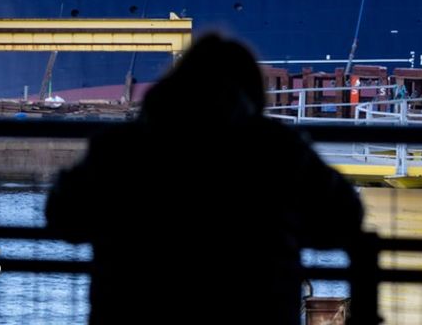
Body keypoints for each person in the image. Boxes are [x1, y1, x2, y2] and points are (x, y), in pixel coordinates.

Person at [45, 33, 365, 324]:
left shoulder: (121, 147)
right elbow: (346, 215)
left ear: (175, 83)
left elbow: (63, 216)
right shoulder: (277, 148)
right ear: (251, 90)